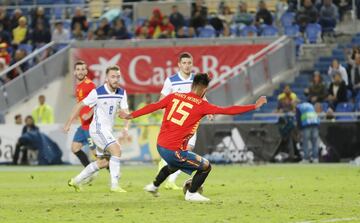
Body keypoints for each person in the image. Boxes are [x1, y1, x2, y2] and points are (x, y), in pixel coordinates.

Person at [119, 73, 267, 201]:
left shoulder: (174, 96)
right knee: (205, 166)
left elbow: (153, 106)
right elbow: (228, 110)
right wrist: (253, 106)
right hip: (173, 150)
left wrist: (130, 115)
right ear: (204, 89)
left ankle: (153, 185)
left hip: (161, 145)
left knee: (173, 166)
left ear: (192, 85)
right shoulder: (202, 105)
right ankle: (191, 193)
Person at [64, 65, 130, 193]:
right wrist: (68, 123)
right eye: (112, 77)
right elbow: (80, 105)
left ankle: (75, 181)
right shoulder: (98, 92)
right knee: (117, 150)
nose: (115, 79)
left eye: (117, 77)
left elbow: (126, 111)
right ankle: (114, 185)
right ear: (106, 78)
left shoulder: (121, 93)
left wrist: (126, 127)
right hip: (97, 129)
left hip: (107, 130)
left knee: (103, 162)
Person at [158, 52, 207, 190]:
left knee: (186, 151)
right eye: (184, 63)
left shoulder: (196, 80)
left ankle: (168, 174)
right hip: (176, 126)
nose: (187, 65)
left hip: (191, 124)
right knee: (183, 151)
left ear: (192, 64)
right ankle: (170, 180)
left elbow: (202, 99)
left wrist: (209, 112)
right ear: (179, 65)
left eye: (189, 63)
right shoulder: (171, 81)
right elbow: (162, 101)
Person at [71, 61, 96, 167]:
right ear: (74, 72)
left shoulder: (90, 85)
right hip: (83, 125)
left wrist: (90, 113)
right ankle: (89, 171)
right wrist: (77, 114)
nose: (80, 72)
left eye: (82, 69)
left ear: (86, 71)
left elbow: (98, 102)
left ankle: (115, 173)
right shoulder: (78, 86)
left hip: (90, 126)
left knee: (97, 154)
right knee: (75, 148)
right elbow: (81, 104)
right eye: (78, 69)